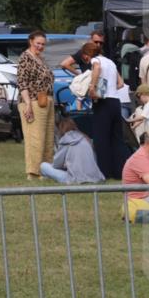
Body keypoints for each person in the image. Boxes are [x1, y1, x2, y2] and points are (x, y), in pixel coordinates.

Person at [17, 31, 55, 181]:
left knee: (48, 138)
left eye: (43, 44)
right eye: (38, 43)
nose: (40, 46)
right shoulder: (24, 58)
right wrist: (28, 105)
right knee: (35, 138)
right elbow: (22, 82)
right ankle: (33, 172)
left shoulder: (40, 59)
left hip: (46, 100)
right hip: (32, 101)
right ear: (30, 41)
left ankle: (46, 171)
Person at [88, 43, 126, 178]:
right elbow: (121, 84)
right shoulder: (111, 62)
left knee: (101, 139)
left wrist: (92, 87)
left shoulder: (95, 60)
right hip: (115, 101)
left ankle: (104, 171)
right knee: (117, 138)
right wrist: (111, 87)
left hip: (102, 101)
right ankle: (119, 171)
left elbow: (97, 67)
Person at [40, 118, 105, 184]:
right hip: (95, 177)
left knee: (43, 166)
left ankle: (47, 176)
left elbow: (56, 165)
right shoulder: (85, 139)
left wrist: (65, 164)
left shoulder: (65, 140)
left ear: (61, 129)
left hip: (75, 179)